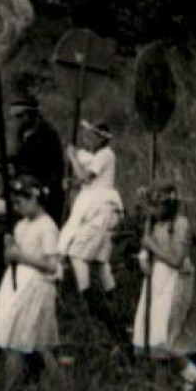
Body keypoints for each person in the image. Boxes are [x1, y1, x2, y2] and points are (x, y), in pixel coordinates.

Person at [132, 183, 196, 387]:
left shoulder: (181, 224)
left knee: (166, 334)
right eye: (150, 207)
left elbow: (176, 260)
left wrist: (151, 246)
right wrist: (144, 258)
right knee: (152, 332)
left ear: (168, 205)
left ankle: (192, 376)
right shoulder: (153, 223)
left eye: (156, 206)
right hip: (156, 281)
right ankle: (163, 386)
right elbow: (147, 257)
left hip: (176, 280)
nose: (152, 211)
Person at [0, 175, 62, 384]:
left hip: (37, 288)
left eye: (20, 202)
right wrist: (9, 248)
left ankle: (11, 390)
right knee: (17, 338)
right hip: (17, 287)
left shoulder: (47, 226)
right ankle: (15, 389)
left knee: (28, 341)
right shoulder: (21, 225)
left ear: (34, 198)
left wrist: (21, 257)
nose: (17, 207)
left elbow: (52, 265)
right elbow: (10, 260)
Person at [59, 120, 123, 299]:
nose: (88, 139)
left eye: (92, 136)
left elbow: (86, 178)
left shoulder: (105, 155)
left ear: (101, 139)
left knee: (77, 254)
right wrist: (72, 183)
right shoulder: (98, 156)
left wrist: (72, 156)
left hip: (100, 211)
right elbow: (88, 181)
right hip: (99, 210)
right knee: (99, 261)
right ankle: (112, 300)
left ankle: (86, 299)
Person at [8, 95, 66, 224]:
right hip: (23, 188)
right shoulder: (22, 133)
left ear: (29, 115)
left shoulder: (47, 134)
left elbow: (54, 167)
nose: (17, 121)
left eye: (20, 116)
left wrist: (46, 189)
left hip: (44, 190)